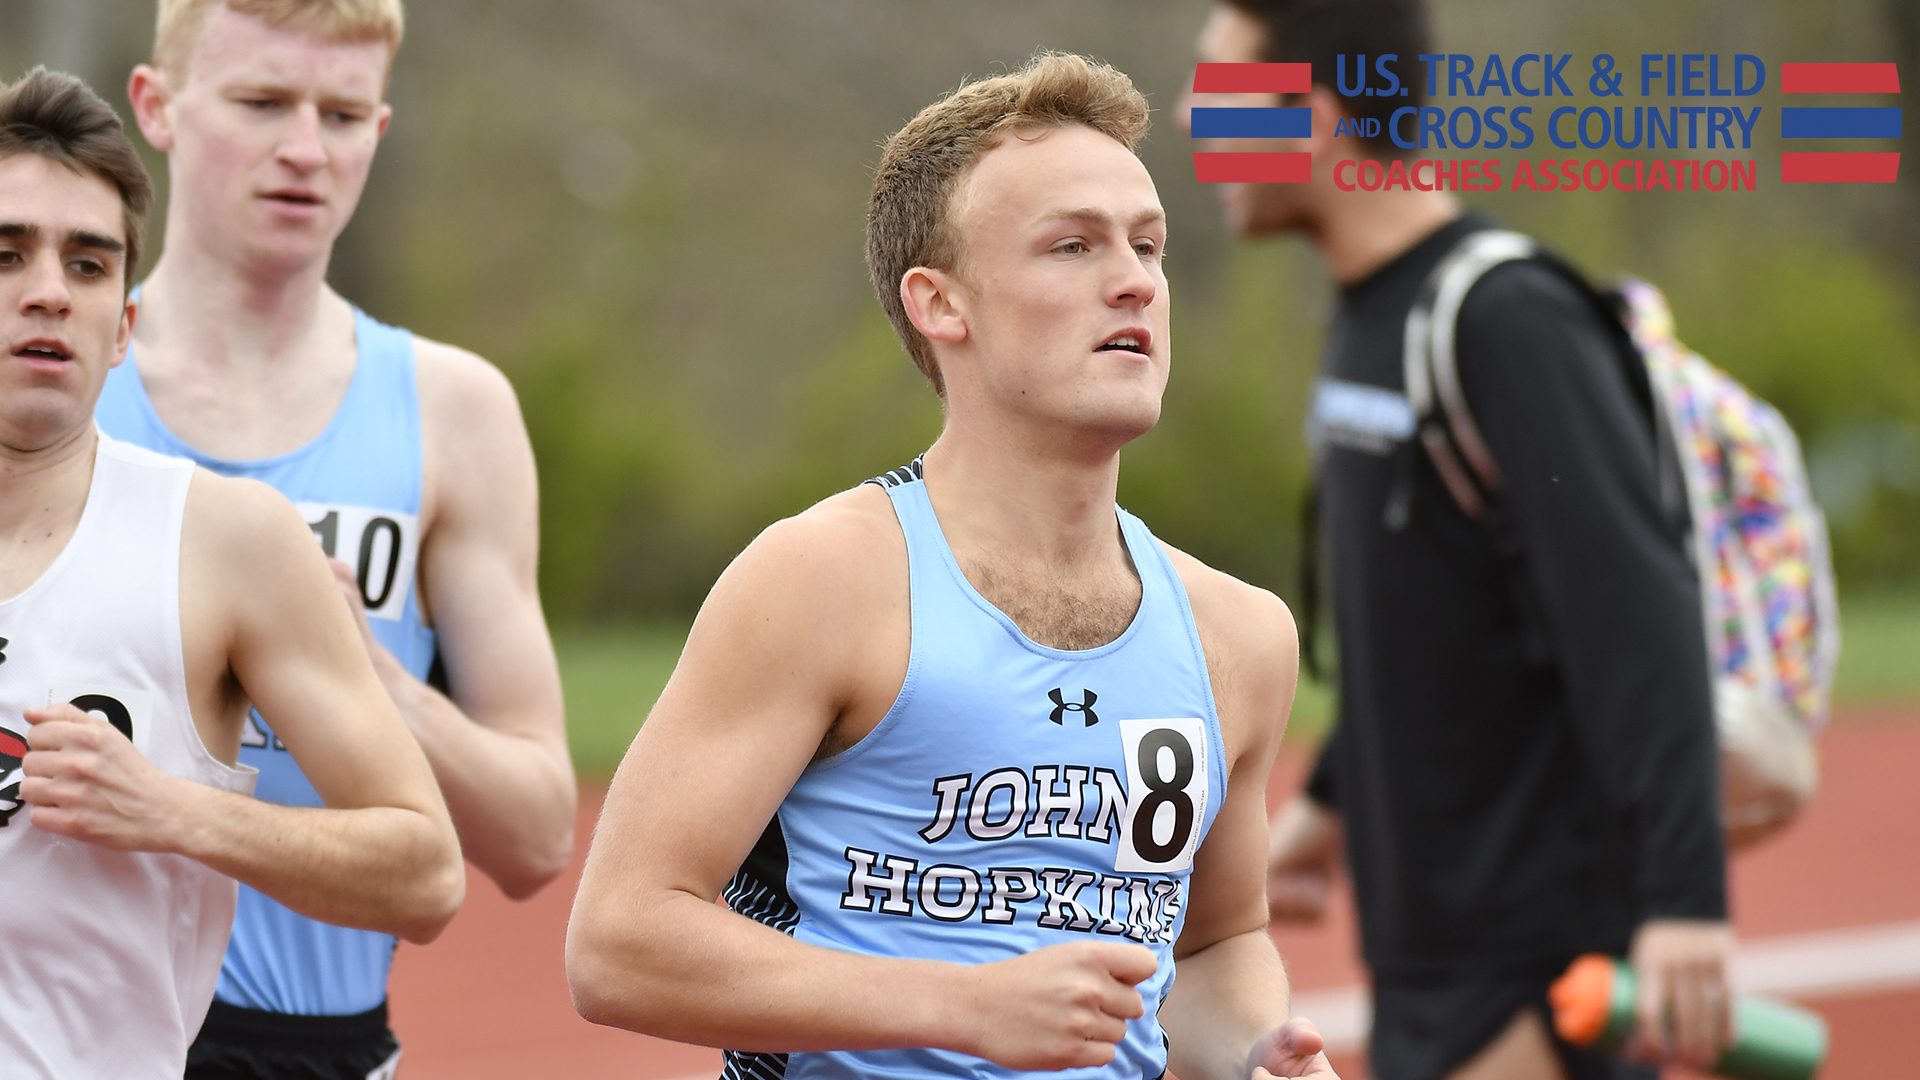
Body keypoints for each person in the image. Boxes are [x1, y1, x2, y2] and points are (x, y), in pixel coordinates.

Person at [566, 53, 1335, 1080]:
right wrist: (961, 1005)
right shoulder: (823, 580)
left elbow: (1214, 945)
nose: (1135, 281)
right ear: (940, 303)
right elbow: (618, 942)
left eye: (1148, 246)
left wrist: (1259, 1056)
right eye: (1072, 245)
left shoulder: (1240, 632)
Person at [1180, 3, 1732, 1080]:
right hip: (1431, 949)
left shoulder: (1506, 318)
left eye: (1224, 96)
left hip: (1540, 956)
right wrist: (1330, 802)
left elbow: (1641, 618)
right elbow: (1434, 616)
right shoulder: (1366, 317)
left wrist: (1685, 905)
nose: (1195, 127)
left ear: (1323, 115)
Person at [94, 2, 576, 1076]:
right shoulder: (55, 384)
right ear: (157, 107)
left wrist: (371, 682)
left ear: (379, 131)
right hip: (70, 1031)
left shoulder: (453, 412)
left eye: (343, 114)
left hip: (318, 1048)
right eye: (263, 101)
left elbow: (538, 837)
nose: (306, 150)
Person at [0, 67, 462, 1079]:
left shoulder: (222, 540)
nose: (47, 289)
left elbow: (425, 871)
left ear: (121, 328)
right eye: (8, 252)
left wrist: (174, 811)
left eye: (88, 264)